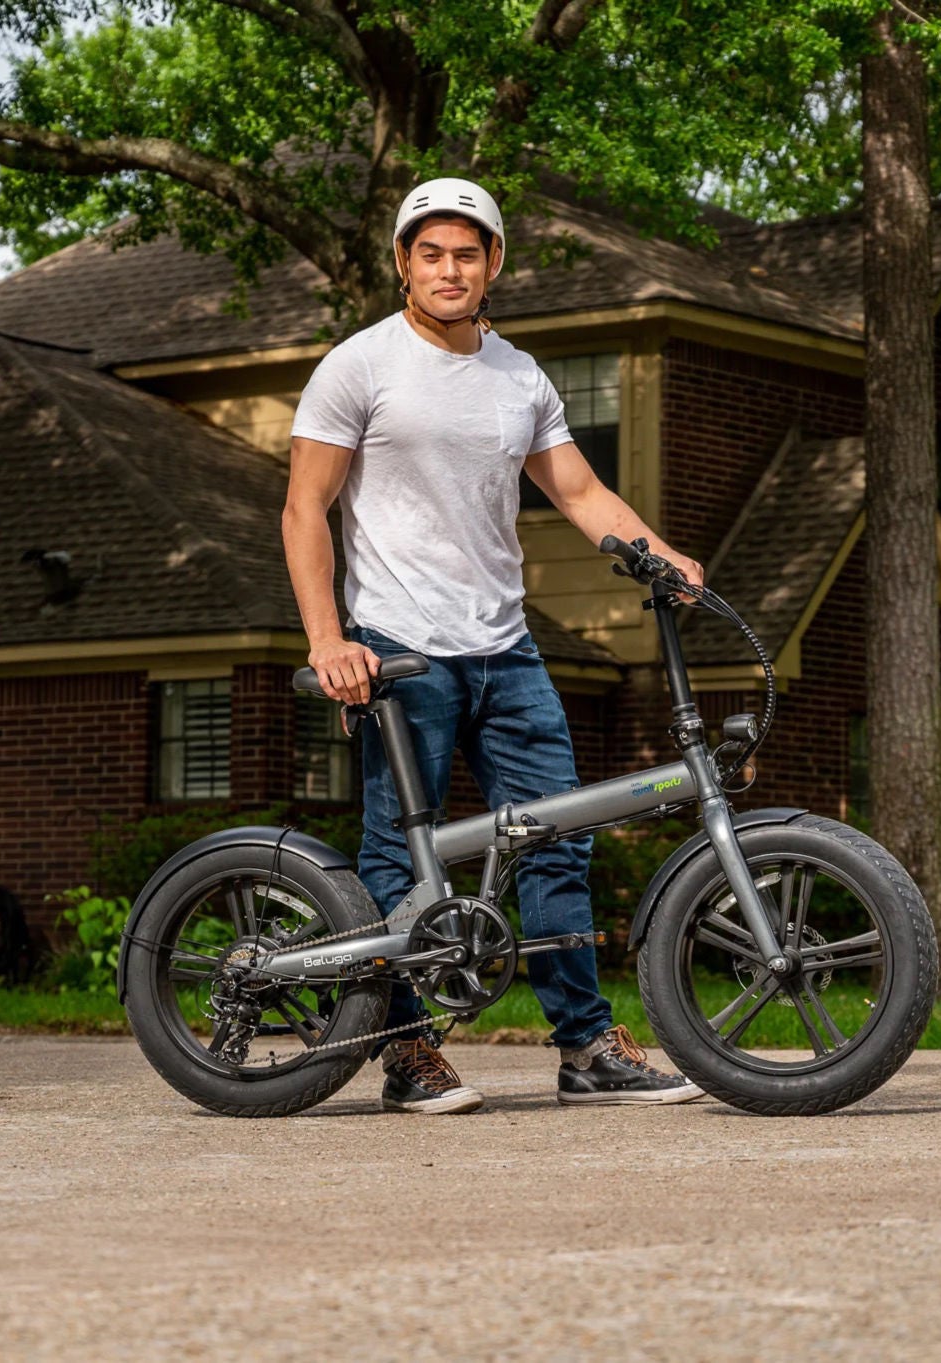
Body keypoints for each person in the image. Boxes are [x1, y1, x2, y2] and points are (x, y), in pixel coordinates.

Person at [281, 176, 705, 1114]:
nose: (448, 268)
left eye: (466, 253)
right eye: (429, 252)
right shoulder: (359, 365)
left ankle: (588, 1047)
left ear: (494, 265)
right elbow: (304, 505)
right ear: (403, 262)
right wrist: (327, 637)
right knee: (399, 852)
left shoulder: (522, 377)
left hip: (506, 645)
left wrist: (659, 552)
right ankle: (406, 1052)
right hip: (400, 642)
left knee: (558, 840)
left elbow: (582, 494)